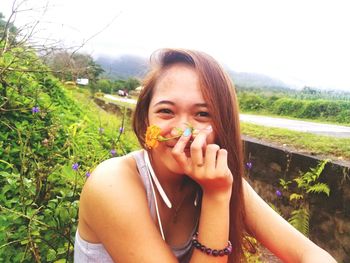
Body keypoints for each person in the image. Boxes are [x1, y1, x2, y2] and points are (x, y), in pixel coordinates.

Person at [74, 48, 336, 263]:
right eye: (166, 111)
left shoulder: (217, 179)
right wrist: (216, 196)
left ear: (222, 126)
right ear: (145, 121)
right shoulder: (112, 183)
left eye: (202, 114)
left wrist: (217, 190)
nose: (182, 130)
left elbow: (311, 254)